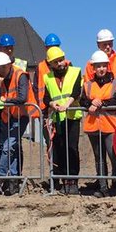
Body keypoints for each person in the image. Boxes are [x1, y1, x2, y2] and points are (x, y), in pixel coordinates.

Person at [41, 46, 83, 194]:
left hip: (72, 116)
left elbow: (76, 91)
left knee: (72, 148)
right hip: (57, 118)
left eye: (61, 60)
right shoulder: (48, 77)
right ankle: (65, 180)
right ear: (50, 64)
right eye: (56, 62)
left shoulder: (75, 72)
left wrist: (66, 105)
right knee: (60, 149)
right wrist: (53, 104)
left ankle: (73, 181)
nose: (60, 63)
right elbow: (46, 98)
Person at [81, 49, 116, 197]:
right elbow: (83, 100)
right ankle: (103, 187)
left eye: (103, 66)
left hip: (111, 126)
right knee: (99, 158)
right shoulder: (88, 85)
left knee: (114, 156)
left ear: (107, 66)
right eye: (98, 66)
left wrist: (100, 103)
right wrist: (90, 103)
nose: (101, 69)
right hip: (93, 127)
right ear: (93, 68)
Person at [0, 51, 30, 195]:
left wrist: (7, 100)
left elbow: (23, 97)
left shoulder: (21, 75)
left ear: (8, 65)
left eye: (1, 68)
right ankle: (13, 182)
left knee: (7, 147)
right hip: (8, 117)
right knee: (12, 149)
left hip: (21, 117)